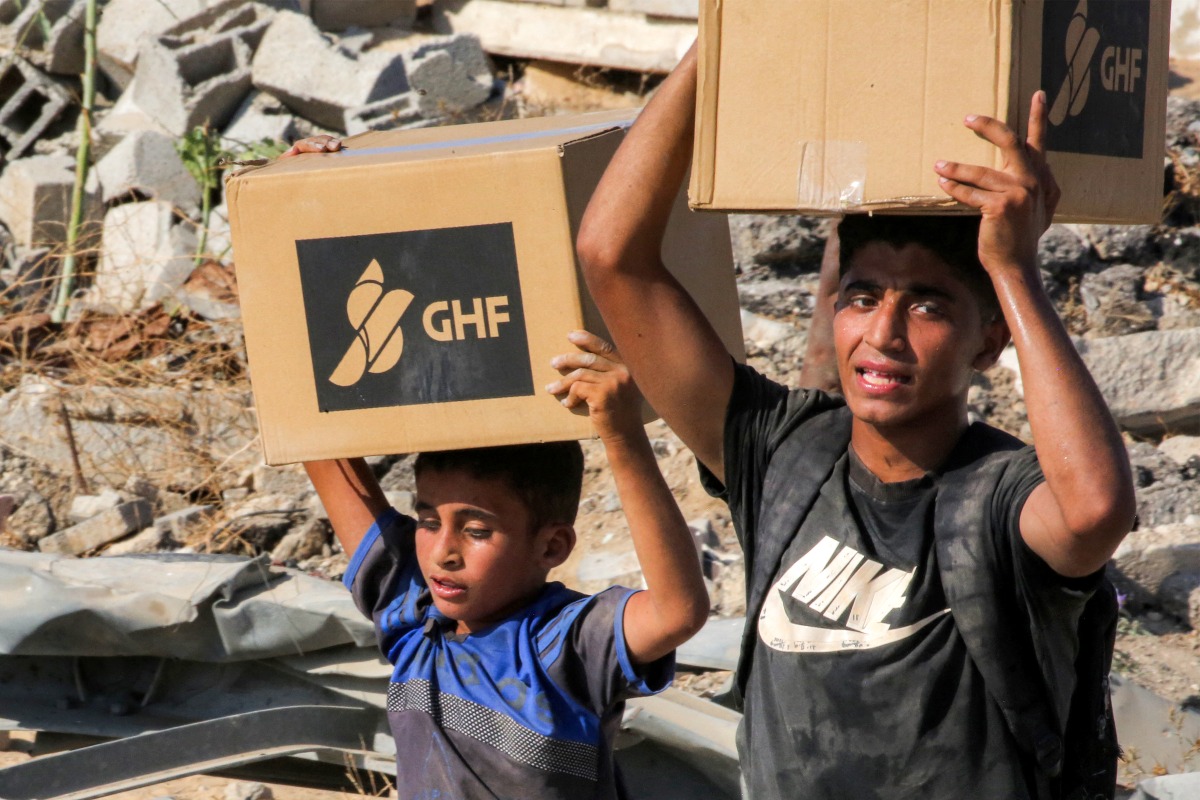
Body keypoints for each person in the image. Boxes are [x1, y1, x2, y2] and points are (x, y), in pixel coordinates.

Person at [567, 42, 1135, 800]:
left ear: (989, 340)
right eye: (864, 298)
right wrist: (726, 37)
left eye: (929, 305)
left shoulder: (999, 495)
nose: (885, 334)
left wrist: (1014, 269)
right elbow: (612, 256)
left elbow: (1096, 510)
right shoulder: (782, 452)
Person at [302, 330, 709, 799]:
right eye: (428, 521)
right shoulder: (414, 620)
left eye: (476, 532)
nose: (443, 552)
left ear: (552, 547)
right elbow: (317, 435)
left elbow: (677, 611)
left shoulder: (565, 644)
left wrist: (620, 432)